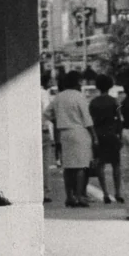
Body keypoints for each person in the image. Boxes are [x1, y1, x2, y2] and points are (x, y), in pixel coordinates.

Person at [45, 70, 97, 208]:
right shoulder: (79, 97)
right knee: (81, 166)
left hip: (64, 133)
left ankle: (69, 196)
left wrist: (58, 120)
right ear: (77, 82)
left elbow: (47, 113)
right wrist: (94, 136)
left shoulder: (58, 97)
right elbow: (87, 119)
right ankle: (80, 196)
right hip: (80, 132)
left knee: (68, 166)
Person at [88, 74, 123, 205]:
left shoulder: (93, 102)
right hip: (112, 135)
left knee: (100, 165)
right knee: (116, 164)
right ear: (111, 85)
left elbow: (90, 120)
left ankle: (105, 193)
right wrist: (119, 134)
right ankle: (118, 192)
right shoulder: (115, 102)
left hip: (98, 135)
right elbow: (120, 119)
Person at [41, 68, 54, 204]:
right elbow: (47, 114)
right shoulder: (44, 94)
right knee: (45, 163)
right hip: (43, 131)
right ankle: (45, 192)